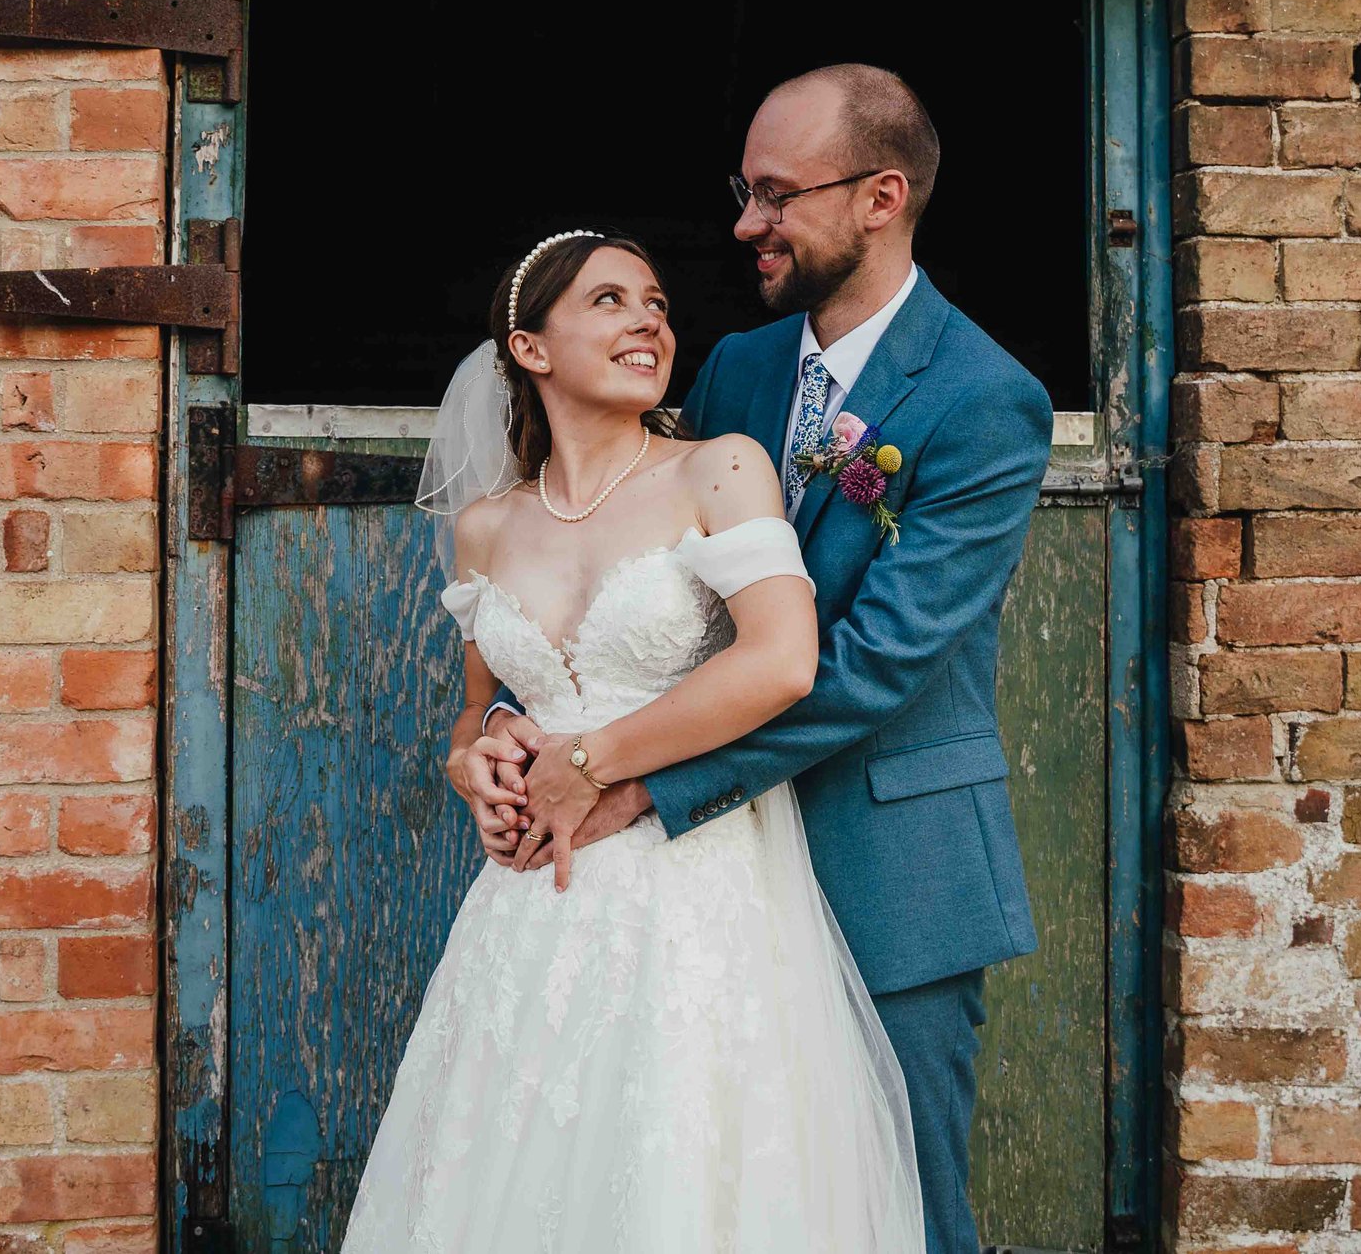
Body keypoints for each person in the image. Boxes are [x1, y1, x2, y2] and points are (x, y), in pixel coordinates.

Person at [459, 65, 1053, 1254]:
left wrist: (631, 776)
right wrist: (505, 738)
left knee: (902, 1208)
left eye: (775, 193)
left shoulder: (989, 399)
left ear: (881, 196)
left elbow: (877, 661)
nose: (745, 222)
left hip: (887, 861)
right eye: (744, 189)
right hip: (697, 892)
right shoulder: (732, 370)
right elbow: (641, 592)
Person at [340, 229, 923, 1252]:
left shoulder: (716, 470)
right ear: (530, 347)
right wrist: (472, 755)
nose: (647, 318)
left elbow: (782, 660)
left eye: (653, 301)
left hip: (691, 879)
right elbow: (481, 704)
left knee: (678, 1169)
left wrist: (589, 758)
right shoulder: (487, 525)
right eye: (608, 300)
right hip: (531, 903)